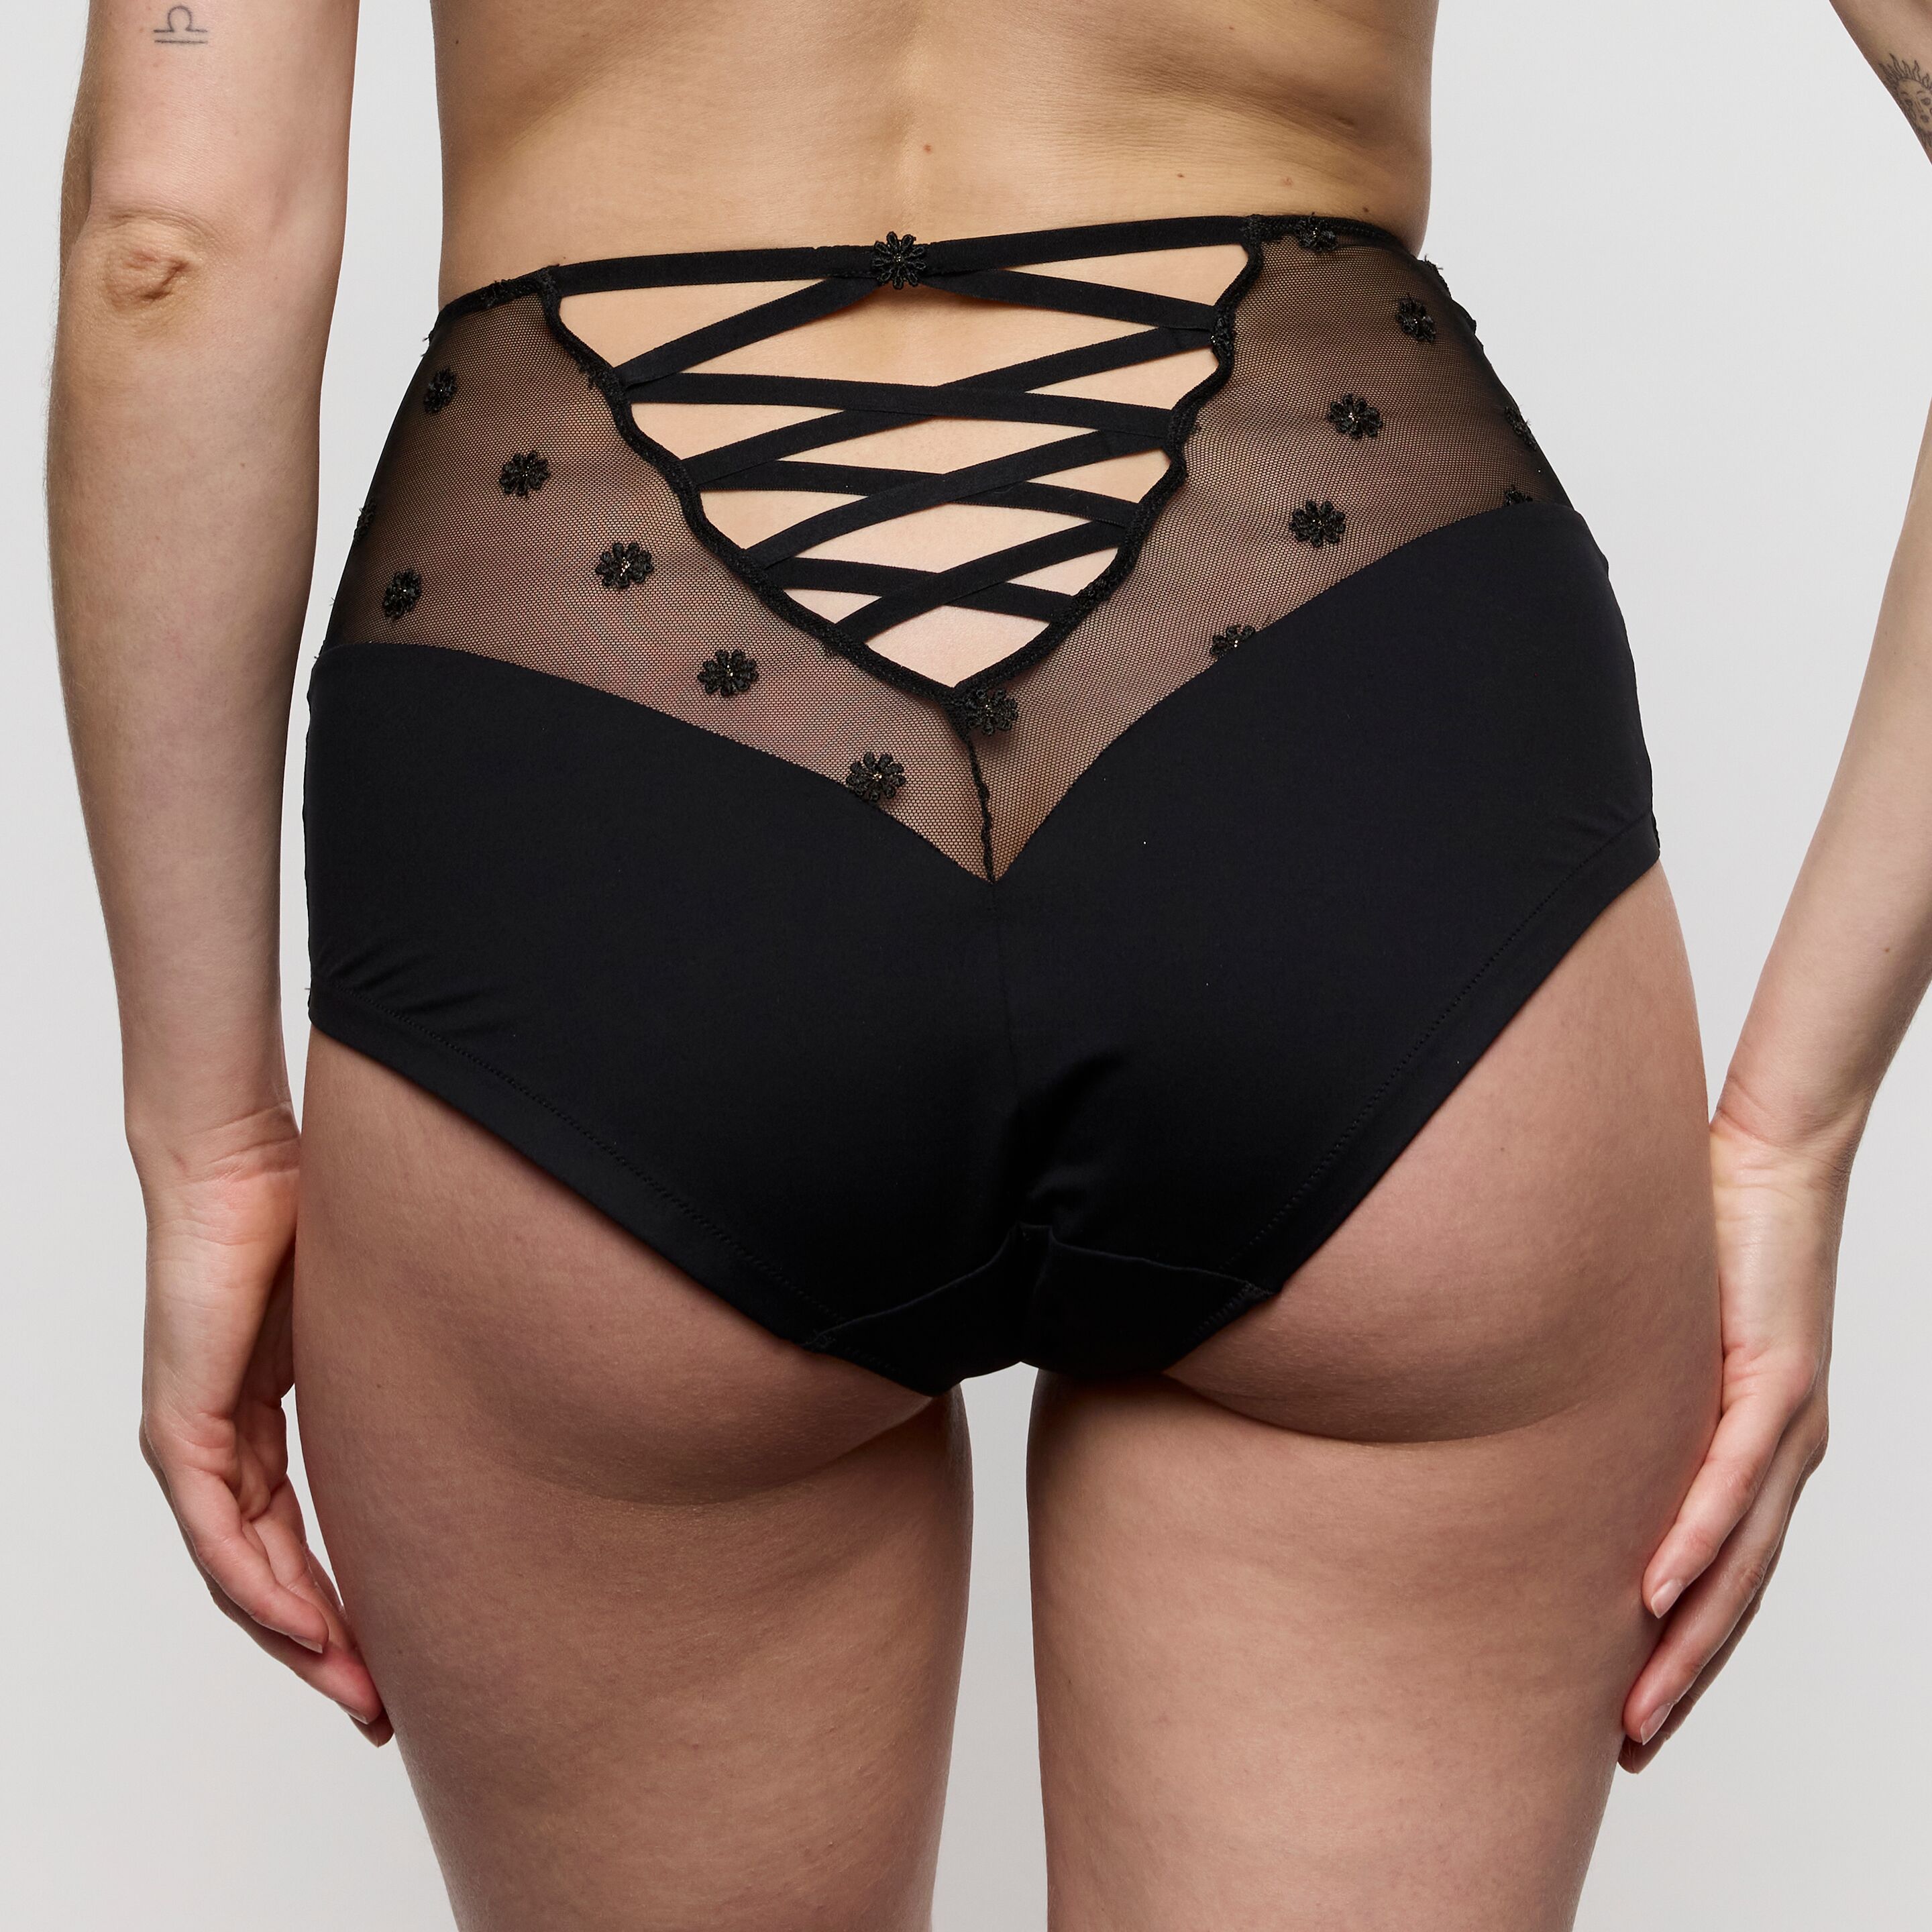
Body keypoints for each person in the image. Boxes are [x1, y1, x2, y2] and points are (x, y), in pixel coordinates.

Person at [46, 1, 1932, 1925]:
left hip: (598, 768)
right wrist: (1796, 1129)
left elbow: (170, 245)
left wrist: (212, 1146)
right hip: (1349, 713)